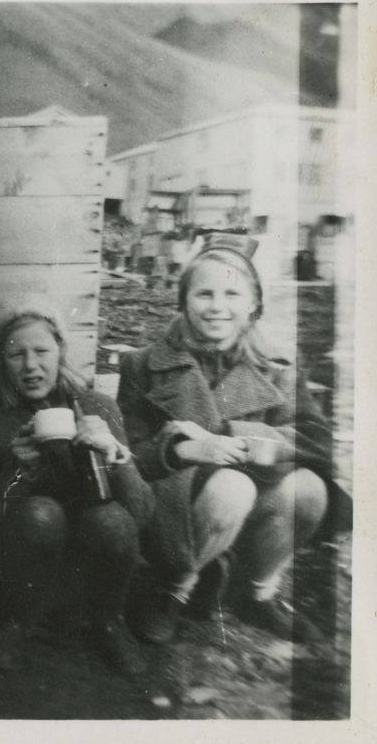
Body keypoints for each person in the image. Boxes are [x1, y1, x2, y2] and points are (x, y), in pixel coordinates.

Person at [118, 236, 334, 644]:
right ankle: (169, 592)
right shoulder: (143, 365)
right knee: (231, 487)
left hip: (247, 503)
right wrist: (182, 449)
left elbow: (314, 439)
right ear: (184, 302)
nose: (217, 307)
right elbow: (127, 456)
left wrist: (231, 438)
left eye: (232, 293)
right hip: (172, 511)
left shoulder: (278, 368)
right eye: (204, 293)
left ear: (253, 304)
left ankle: (257, 592)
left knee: (308, 489)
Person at [0, 297, 155, 676]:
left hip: (87, 558)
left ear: (60, 351)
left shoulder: (97, 406)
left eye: (42, 351)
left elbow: (141, 513)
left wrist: (117, 455)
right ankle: (16, 624)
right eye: (16, 355)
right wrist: (17, 473)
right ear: (0, 361)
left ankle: (110, 622)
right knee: (40, 513)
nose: (31, 366)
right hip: (20, 559)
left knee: (111, 520)